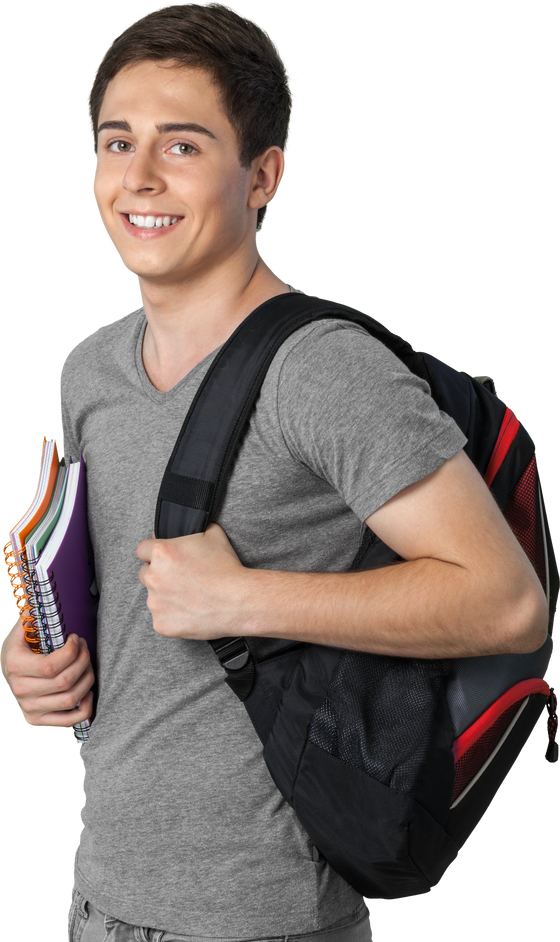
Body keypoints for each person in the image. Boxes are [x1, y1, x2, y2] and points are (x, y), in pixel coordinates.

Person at [0, 3, 549, 941]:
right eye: (115, 141)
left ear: (262, 176)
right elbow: (133, 635)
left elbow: (506, 604)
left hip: (266, 921)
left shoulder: (323, 371)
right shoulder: (92, 372)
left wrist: (244, 600)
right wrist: (35, 674)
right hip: (98, 900)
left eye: (182, 147)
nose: (136, 177)